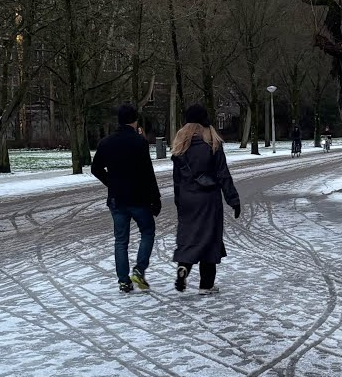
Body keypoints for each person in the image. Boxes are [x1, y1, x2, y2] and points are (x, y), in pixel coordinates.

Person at [171, 103, 241, 295]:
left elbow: (177, 180)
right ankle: (206, 285)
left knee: (189, 237)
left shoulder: (180, 149)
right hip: (209, 199)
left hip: (187, 199)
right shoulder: (212, 145)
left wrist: (179, 201)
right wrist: (233, 199)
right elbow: (223, 175)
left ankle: (183, 266)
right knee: (210, 239)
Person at [90, 104, 161, 293]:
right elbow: (148, 173)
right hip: (139, 197)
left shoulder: (106, 143)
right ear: (134, 120)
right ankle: (139, 269)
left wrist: (111, 183)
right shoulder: (139, 142)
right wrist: (156, 197)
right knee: (147, 232)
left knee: (121, 240)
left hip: (117, 199)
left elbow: (95, 168)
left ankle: (123, 280)